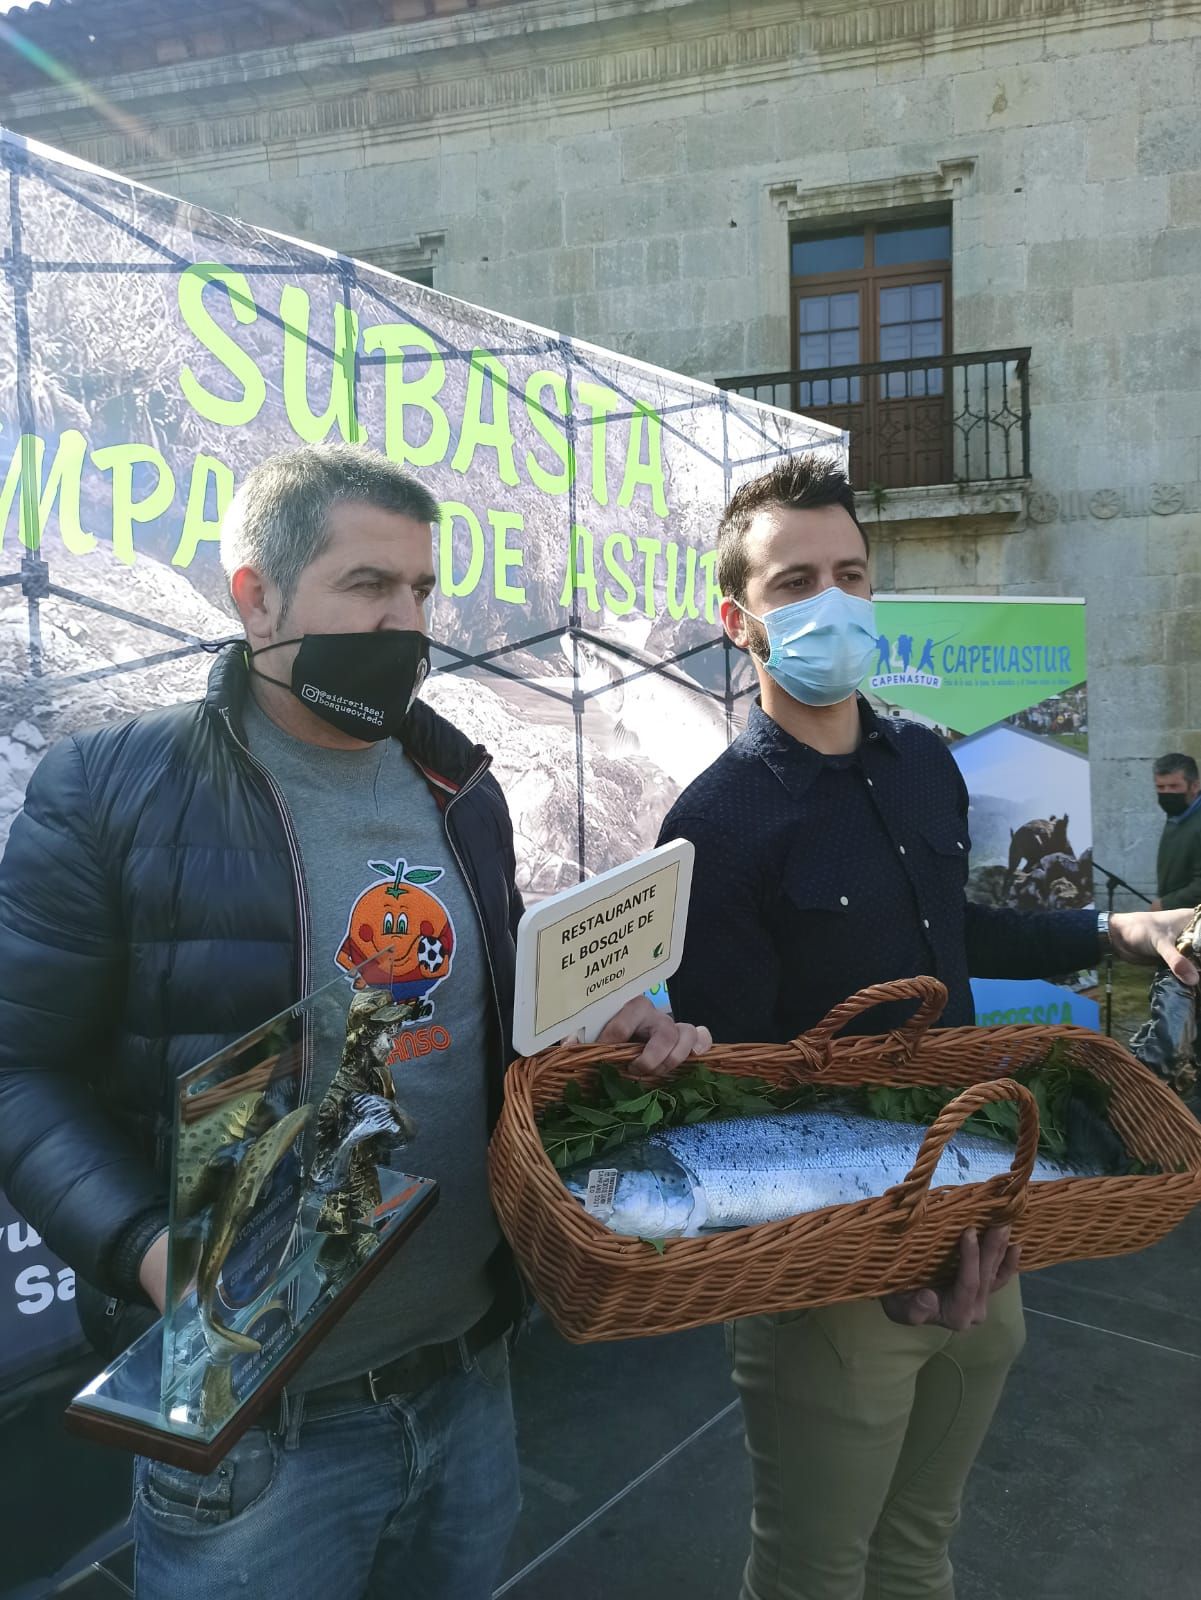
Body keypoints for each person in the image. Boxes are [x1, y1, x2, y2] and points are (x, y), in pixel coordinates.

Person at [0, 445, 709, 1600]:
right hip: (257, 1438)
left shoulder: (460, 791)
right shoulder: (112, 793)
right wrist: (151, 1250)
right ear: (255, 596)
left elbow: (492, 1025)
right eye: (368, 587)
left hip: (467, 1380)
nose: (406, 625)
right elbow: (15, 1066)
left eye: (422, 592)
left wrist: (596, 1033)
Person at [656, 453, 1196, 1600]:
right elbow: (739, 1091)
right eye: (794, 582)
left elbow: (957, 931)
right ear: (737, 621)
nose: (832, 602)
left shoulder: (920, 767)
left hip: (976, 1230)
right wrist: (876, 1257)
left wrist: (1121, 931)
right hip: (837, 1268)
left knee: (918, 1554)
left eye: (850, 573)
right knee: (815, 1573)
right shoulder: (715, 822)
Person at [1150, 752, 1201, 912]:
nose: (1166, 793)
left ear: (1195, 786)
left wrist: (1166, 904)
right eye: (1160, 787)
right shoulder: (1178, 813)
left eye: (1174, 786)